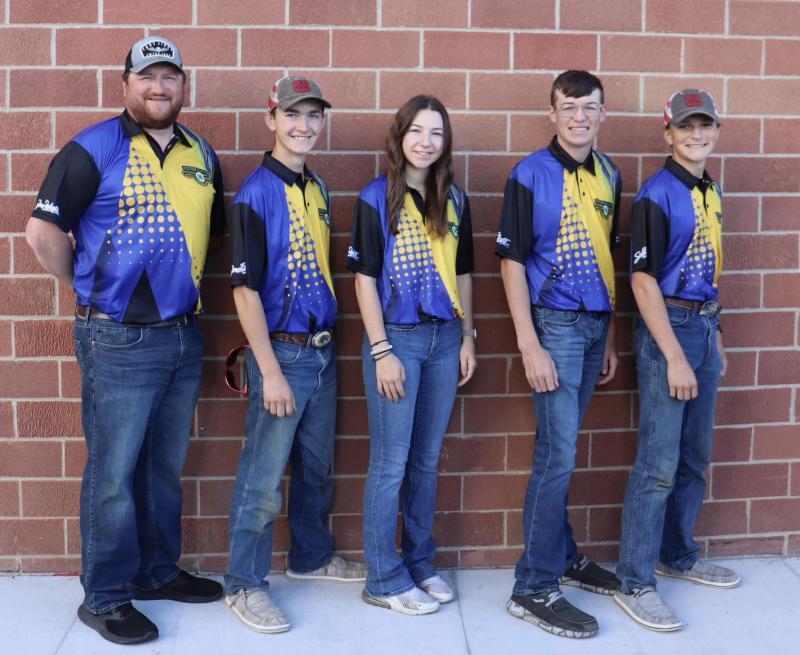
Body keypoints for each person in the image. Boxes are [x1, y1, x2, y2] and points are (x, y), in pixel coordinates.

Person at [25, 36, 225, 645]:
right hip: (116, 339)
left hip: (183, 336)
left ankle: (156, 572)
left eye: (170, 77)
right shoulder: (94, 147)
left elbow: (209, 234)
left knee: (162, 467)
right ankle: (106, 596)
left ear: (183, 85)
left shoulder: (202, 153)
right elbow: (42, 233)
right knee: (113, 474)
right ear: (126, 85)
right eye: (147, 76)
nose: (159, 87)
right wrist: (89, 291)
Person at [224, 76, 366, 634]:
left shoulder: (317, 187)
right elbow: (244, 291)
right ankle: (243, 583)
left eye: (313, 115)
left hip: (322, 353)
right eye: (292, 114)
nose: (303, 125)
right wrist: (270, 370)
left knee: (316, 467)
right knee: (262, 478)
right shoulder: (255, 194)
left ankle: (310, 555)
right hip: (281, 355)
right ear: (271, 120)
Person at [496, 70, 622, 639]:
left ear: (602, 114)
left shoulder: (610, 174)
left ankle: (562, 555)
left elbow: (607, 257)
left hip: (593, 329)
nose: (579, 117)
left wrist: (610, 336)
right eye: (569, 107)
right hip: (554, 328)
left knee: (564, 450)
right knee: (557, 452)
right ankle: (532, 585)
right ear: (552, 114)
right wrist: (529, 343)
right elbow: (511, 263)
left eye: (589, 107)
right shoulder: (529, 174)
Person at [346, 95, 476, 615]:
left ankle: (420, 562)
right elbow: (364, 280)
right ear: (400, 138)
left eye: (436, 133)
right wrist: (381, 351)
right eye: (417, 131)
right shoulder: (375, 197)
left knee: (426, 459)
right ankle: (383, 577)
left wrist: (468, 337)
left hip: (445, 339)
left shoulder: (456, 199)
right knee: (391, 462)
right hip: (396, 340)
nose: (426, 141)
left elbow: (464, 272)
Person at [614, 89, 738, 632]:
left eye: (704, 125)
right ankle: (634, 581)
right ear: (668, 133)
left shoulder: (710, 189)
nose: (696, 135)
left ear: (716, 131)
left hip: (702, 327)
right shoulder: (656, 195)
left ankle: (678, 553)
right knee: (658, 463)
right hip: (669, 330)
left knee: (695, 455)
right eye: (685, 126)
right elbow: (642, 281)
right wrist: (675, 357)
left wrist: (716, 337)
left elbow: (707, 268)